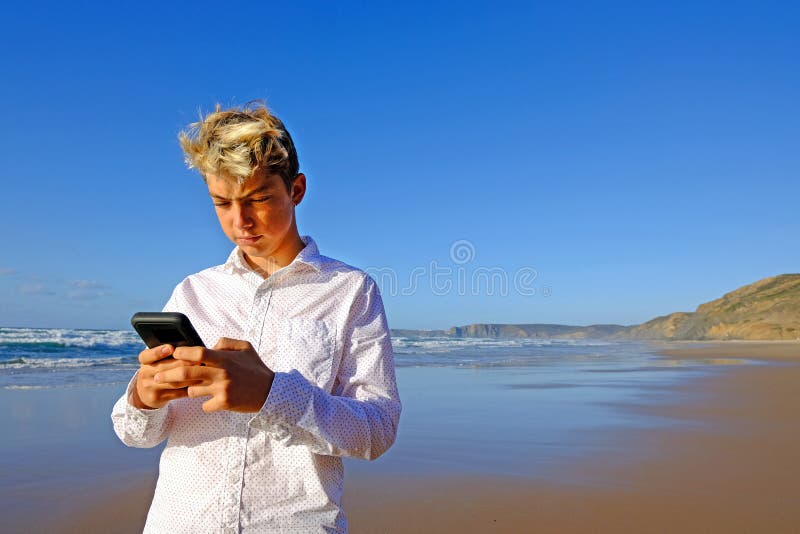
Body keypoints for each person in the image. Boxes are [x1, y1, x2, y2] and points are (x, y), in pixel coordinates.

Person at [111, 102, 401, 533]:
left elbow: (377, 429)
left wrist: (273, 393)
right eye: (221, 203)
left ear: (296, 190)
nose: (239, 221)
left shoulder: (350, 291)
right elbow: (136, 433)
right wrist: (142, 398)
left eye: (258, 199)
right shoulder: (193, 292)